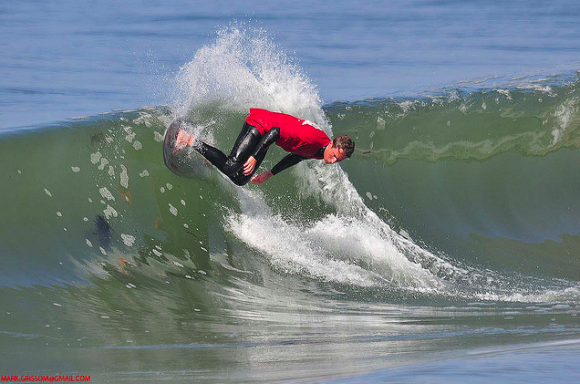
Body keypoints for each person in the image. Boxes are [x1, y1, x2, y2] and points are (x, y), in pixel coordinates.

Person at [169, 108, 355, 186]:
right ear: (332, 143)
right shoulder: (314, 139)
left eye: (338, 160)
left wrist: (270, 173)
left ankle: (208, 157)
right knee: (231, 166)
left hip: (268, 137)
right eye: (334, 155)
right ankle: (186, 138)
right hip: (261, 125)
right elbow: (275, 132)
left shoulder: (321, 150)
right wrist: (255, 156)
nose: (333, 161)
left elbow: (297, 155)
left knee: (241, 179)